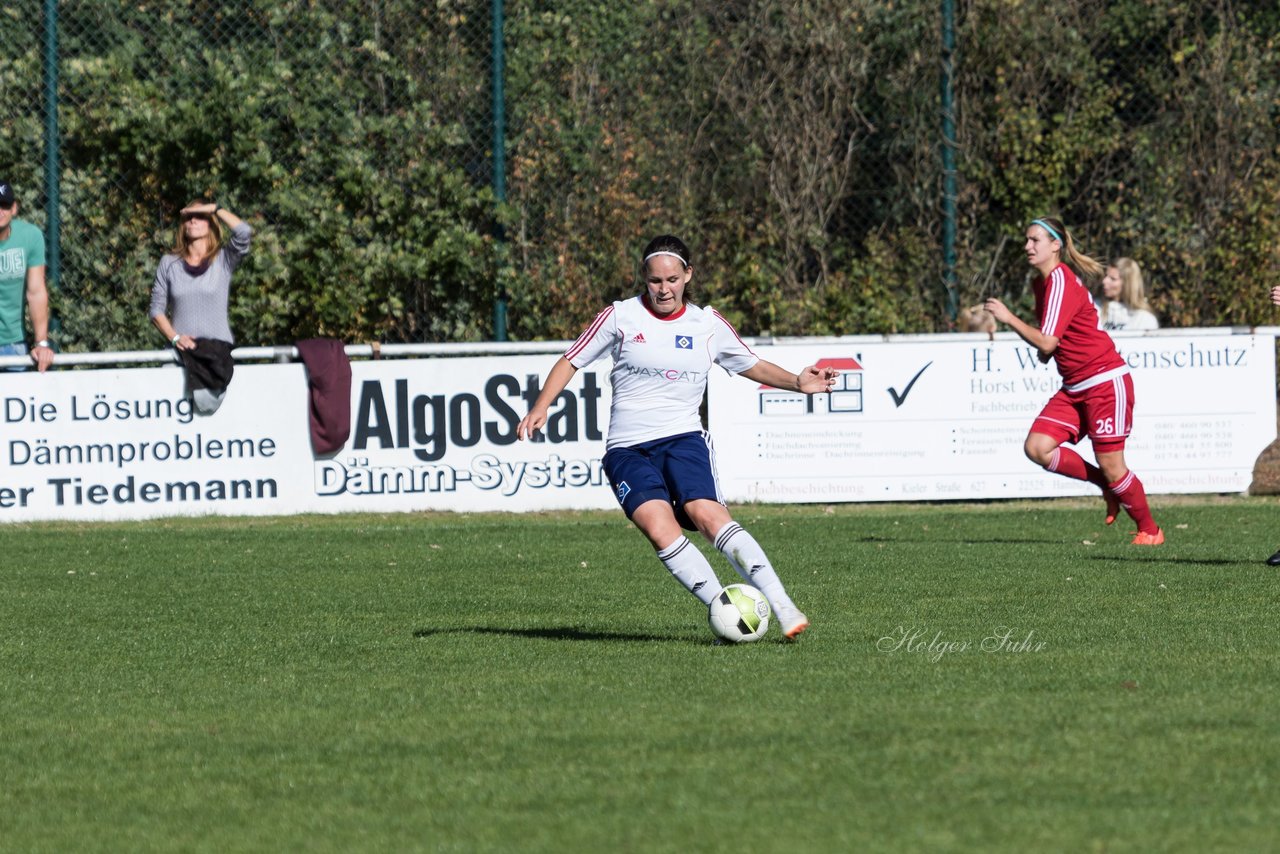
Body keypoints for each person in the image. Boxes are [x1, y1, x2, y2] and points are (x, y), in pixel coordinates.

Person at [516, 235, 838, 638]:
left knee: (709, 516)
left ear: (688, 275)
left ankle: (783, 605)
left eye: (671, 279)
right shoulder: (620, 316)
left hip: (683, 440)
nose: (663, 289)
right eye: (654, 280)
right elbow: (571, 359)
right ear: (644, 278)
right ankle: (727, 610)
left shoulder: (707, 324)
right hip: (627, 449)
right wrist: (541, 405)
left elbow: (750, 364)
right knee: (659, 527)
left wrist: (796, 382)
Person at [985, 217, 1163, 545]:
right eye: (1026, 240)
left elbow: (1048, 341)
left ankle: (1150, 530)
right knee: (1037, 447)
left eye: (1034, 240)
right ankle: (1105, 487)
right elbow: (1054, 340)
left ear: (1056, 245)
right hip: (1075, 386)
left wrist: (1009, 318)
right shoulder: (1042, 283)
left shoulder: (1060, 280)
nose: (1027, 246)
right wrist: (1045, 349)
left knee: (1113, 466)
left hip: (1104, 382)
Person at [149, 200, 251, 412]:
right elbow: (156, 309)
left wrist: (215, 208)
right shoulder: (169, 263)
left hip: (216, 357)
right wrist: (175, 338)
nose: (193, 220)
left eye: (200, 216)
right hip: (180, 356)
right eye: (188, 217)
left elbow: (243, 232)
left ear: (211, 222)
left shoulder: (223, 260)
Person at [0, 180, 54, 372]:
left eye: (4, 205)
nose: (0, 212)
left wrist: (42, 343)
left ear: (14, 209)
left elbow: (36, 292)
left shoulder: (30, 237)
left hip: (15, 346)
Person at [1098, 257, 1158, 331]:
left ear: (1128, 284)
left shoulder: (1144, 318)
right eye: (1106, 276)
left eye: (1113, 279)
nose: (1104, 281)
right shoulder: (1095, 308)